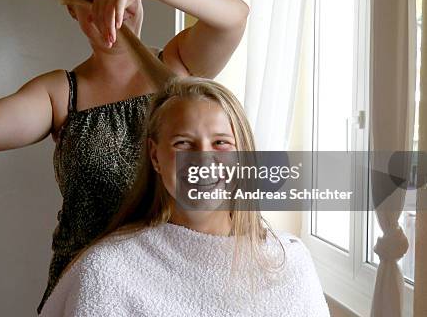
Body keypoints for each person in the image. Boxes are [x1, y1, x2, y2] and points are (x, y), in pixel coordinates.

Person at [0, 0, 249, 312]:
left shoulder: (177, 68)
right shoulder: (61, 93)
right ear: (72, 8)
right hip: (90, 288)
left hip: (173, 283)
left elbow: (234, 17)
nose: (110, 4)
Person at [40, 77, 330, 317]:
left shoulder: (289, 263)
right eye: (183, 143)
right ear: (156, 156)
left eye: (221, 143)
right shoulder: (108, 270)